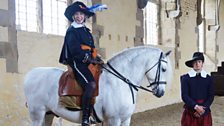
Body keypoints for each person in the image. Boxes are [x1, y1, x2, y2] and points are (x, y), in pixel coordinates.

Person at [59, 1, 102, 126]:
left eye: (81, 14)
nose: (79, 16)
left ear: (84, 16)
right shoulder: (72, 30)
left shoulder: (86, 30)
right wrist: (87, 58)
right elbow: (75, 50)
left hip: (89, 60)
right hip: (78, 62)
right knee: (91, 84)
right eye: (76, 14)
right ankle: (85, 117)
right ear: (73, 17)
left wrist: (96, 56)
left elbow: (91, 46)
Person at [180, 52, 214, 126]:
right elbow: (184, 95)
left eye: (199, 61)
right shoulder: (185, 78)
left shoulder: (209, 79)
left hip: (204, 112)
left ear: (202, 63)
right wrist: (196, 107)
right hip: (191, 111)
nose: (197, 64)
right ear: (192, 64)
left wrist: (202, 109)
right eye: (195, 62)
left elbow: (211, 96)